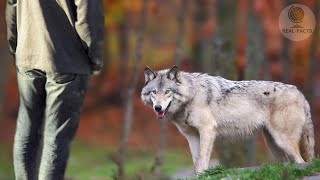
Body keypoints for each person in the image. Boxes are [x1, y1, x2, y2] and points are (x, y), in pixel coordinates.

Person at [5, 0, 104, 179]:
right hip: (66, 60)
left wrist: (16, 46)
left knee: (26, 127)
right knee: (56, 137)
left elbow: (12, 6)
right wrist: (95, 58)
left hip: (27, 54)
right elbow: (88, 16)